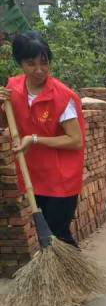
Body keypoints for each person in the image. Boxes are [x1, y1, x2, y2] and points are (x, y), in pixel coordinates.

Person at [0, 32, 85, 246]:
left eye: (44, 62)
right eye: (31, 64)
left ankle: (75, 278)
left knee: (59, 236)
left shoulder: (61, 96)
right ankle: (54, 278)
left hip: (61, 179)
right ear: (20, 63)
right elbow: (4, 123)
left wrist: (35, 139)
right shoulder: (13, 89)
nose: (39, 70)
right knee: (45, 236)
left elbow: (75, 140)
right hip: (34, 177)